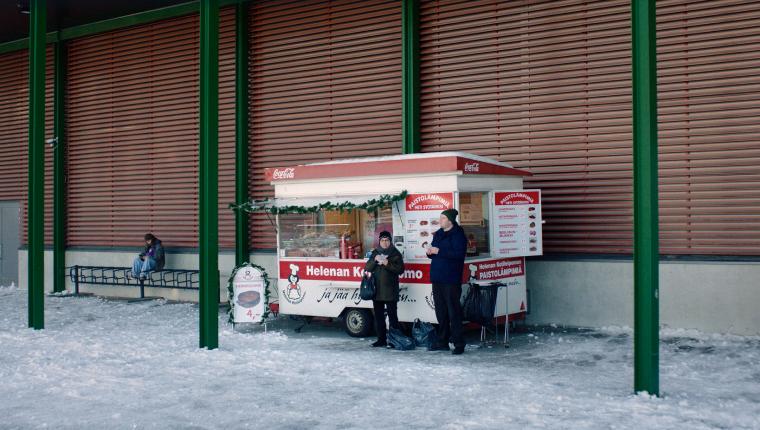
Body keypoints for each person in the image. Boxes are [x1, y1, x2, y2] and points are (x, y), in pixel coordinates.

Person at [426, 208, 467, 355]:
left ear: (450, 220)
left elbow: (459, 254)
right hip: (437, 277)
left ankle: (458, 343)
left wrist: (439, 251)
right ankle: (442, 341)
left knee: (453, 312)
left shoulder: (458, 235)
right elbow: (434, 253)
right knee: (441, 311)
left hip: (451, 279)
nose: (440, 220)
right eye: (440, 218)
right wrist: (429, 252)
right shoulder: (438, 234)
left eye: (442, 218)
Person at [364, 230, 405, 347]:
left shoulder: (395, 253)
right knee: (379, 317)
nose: (385, 242)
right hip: (377, 290)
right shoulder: (375, 252)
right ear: (379, 241)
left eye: (387, 240)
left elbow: (400, 270)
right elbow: (367, 268)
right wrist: (375, 260)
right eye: (382, 240)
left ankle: (394, 340)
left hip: (390, 290)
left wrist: (387, 263)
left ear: (390, 241)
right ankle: (381, 339)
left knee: (393, 318)